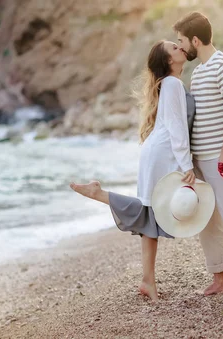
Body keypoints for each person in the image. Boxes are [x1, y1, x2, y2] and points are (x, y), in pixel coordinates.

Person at [69, 40, 196, 301]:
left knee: (150, 214)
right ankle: (100, 194)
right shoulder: (172, 84)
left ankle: (148, 281)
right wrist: (187, 165)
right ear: (169, 61)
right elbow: (177, 128)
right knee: (151, 211)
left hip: (156, 152)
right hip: (164, 153)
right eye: (174, 48)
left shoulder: (170, 84)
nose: (179, 48)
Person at [173, 11, 223, 296]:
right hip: (201, 161)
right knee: (207, 220)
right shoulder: (200, 71)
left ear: (195, 40)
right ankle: (219, 277)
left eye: (182, 41)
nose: (180, 47)